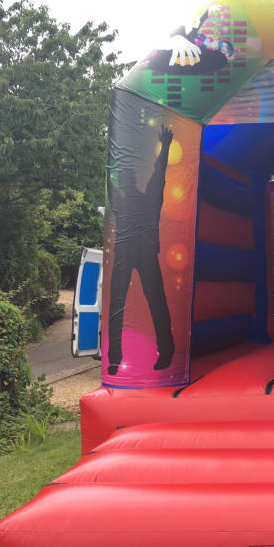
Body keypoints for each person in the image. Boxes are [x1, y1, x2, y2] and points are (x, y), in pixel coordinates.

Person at [106, 126, 176, 375]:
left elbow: (159, 175)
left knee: (155, 302)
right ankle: (116, 357)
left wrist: (165, 147)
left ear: (130, 182)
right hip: (128, 254)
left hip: (142, 253)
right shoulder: (123, 202)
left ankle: (165, 349)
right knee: (121, 304)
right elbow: (111, 181)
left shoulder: (145, 200)